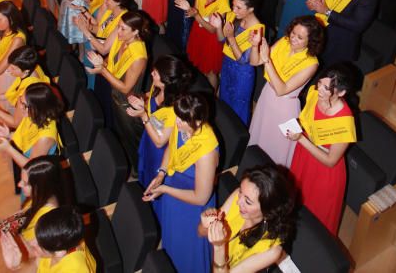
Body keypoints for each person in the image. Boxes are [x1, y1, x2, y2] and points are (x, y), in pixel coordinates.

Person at [143, 92, 219, 273]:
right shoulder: (183, 122)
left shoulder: (207, 151)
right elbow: (172, 146)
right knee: (172, 243)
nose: (177, 122)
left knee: (189, 254)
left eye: (182, 120)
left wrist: (165, 189)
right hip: (172, 190)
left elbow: (200, 198)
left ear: (198, 122)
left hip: (192, 207)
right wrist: (161, 173)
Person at [287, 65, 357, 235]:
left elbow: (331, 161)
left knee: (315, 220)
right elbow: (305, 120)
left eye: (327, 88)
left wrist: (301, 138)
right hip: (304, 155)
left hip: (324, 171)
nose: (320, 90)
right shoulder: (314, 94)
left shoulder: (344, 121)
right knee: (295, 201)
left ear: (341, 93)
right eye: (320, 84)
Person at [249, 16, 323, 167]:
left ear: (311, 41)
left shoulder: (311, 63)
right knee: (258, 137)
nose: (294, 38)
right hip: (267, 96)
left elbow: (281, 90)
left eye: (300, 37)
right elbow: (255, 61)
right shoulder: (284, 41)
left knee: (276, 150)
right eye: (293, 33)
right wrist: (254, 46)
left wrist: (267, 61)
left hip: (284, 107)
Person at [126, 55, 193, 215]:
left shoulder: (175, 109)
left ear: (165, 80)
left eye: (155, 73)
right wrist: (140, 101)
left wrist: (143, 116)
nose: (152, 74)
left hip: (159, 152)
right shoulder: (157, 88)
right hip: (148, 138)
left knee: (154, 179)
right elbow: (151, 102)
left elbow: (161, 142)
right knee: (144, 173)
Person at [87, 11, 149, 173]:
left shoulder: (139, 56)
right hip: (115, 97)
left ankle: (139, 173)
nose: (118, 31)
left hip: (127, 105)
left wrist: (102, 70)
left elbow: (126, 88)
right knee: (122, 138)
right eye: (119, 27)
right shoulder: (123, 40)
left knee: (133, 142)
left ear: (135, 32)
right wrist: (101, 66)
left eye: (122, 29)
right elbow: (111, 60)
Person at [201, 164, 295, 272]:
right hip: (203, 259)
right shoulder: (238, 196)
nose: (238, 201)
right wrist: (204, 225)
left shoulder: (272, 251)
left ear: (268, 213)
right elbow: (201, 233)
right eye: (241, 191)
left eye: (248, 202)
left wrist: (219, 247)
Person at [0, 155, 66, 264]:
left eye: (25, 183)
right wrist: (3, 224)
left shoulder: (46, 219)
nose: (19, 184)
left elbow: (31, 253)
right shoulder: (44, 197)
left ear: (39, 187)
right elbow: (24, 213)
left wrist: (4, 232)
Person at [214, 0, 264, 125]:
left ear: (251, 9)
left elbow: (243, 60)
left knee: (238, 108)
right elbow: (221, 39)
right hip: (227, 64)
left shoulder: (257, 29)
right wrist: (219, 26)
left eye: (238, 7)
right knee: (224, 99)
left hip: (242, 74)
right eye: (233, 5)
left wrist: (231, 37)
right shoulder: (235, 17)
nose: (234, 10)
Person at [0, 83, 63, 170]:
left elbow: (32, 167)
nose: (20, 106)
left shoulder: (45, 138)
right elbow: (27, 137)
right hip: (25, 155)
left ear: (37, 109)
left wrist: (8, 148)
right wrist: (8, 134)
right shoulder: (35, 115)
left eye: (24, 104)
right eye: (20, 100)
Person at [183, 0, 231, 89]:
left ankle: (212, 95)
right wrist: (188, 9)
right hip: (197, 30)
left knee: (209, 71)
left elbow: (213, 30)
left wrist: (196, 16)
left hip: (211, 39)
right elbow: (195, 9)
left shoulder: (223, 1)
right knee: (196, 63)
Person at [0, 206, 95, 272]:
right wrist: (17, 266)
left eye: (39, 245)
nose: (31, 242)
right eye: (36, 238)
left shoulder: (75, 269)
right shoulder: (55, 241)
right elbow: (37, 265)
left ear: (60, 252)